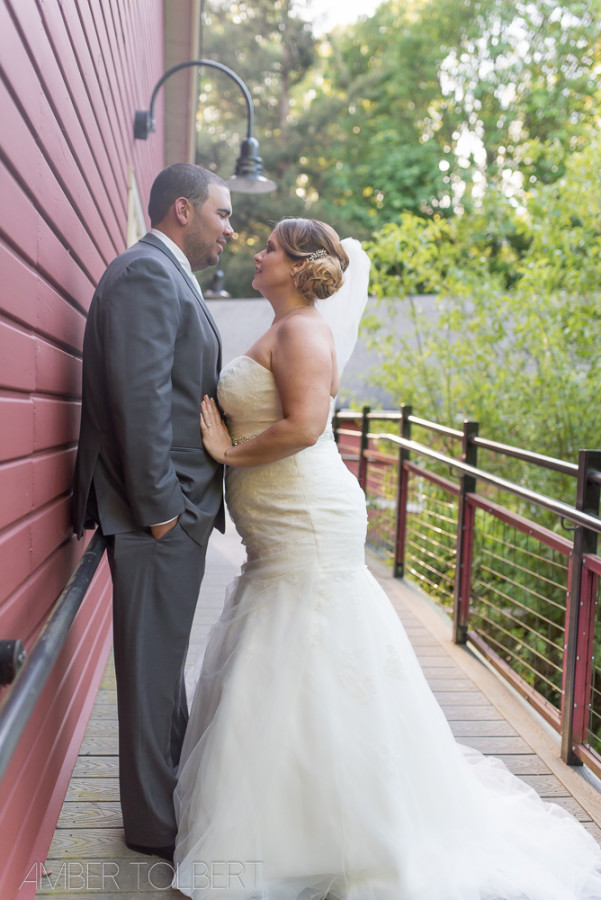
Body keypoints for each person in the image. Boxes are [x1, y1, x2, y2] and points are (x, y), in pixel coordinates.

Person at [172, 217, 601, 899]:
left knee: (305, 648)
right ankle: (296, 819)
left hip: (307, 515)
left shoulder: (303, 331)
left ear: (295, 265)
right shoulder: (282, 327)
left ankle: (337, 832)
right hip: (279, 523)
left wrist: (226, 453)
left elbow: (307, 424)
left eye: (269, 248)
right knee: (283, 651)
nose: (256, 253)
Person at [72, 163, 234, 861]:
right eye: (222, 214)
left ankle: (166, 807)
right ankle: (151, 829)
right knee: (148, 674)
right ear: (180, 210)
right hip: (155, 517)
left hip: (168, 514)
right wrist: (163, 511)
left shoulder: (166, 275)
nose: (229, 229)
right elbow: (138, 401)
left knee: (162, 669)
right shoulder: (146, 275)